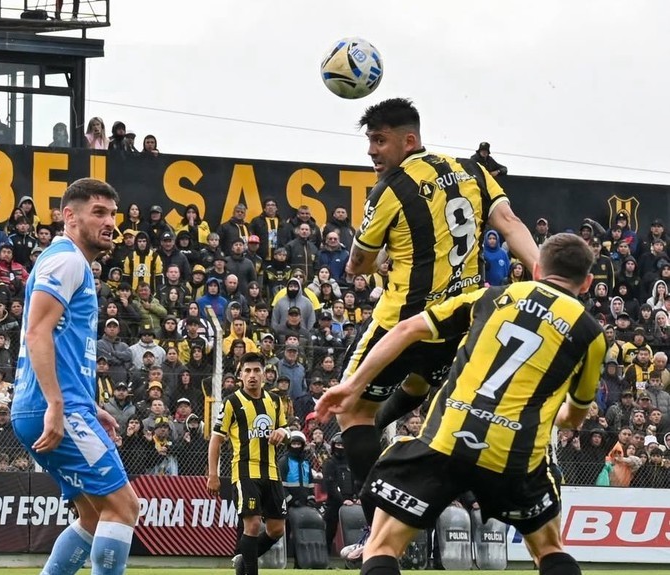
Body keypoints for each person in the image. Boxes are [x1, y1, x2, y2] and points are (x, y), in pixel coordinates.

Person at [317, 233, 605, 575]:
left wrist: (352, 385)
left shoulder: (493, 296)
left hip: (447, 440)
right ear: (587, 283)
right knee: (549, 550)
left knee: (381, 546)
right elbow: (573, 418)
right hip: (514, 457)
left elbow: (408, 329)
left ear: (537, 269)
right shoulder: (592, 335)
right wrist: (549, 411)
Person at [335, 98, 539, 535]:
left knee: (350, 409)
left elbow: (357, 265)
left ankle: (379, 532)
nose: (372, 151)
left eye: (379, 141)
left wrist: (380, 260)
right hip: (462, 322)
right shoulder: (473, 170)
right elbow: (510, 222)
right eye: (369, 141)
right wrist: (545, 275)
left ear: (409, 140)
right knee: (416, 384)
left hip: (405, 323)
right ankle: (388, 425)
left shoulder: (390, 188)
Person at [11, 179, 138, 575]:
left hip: (56, 405)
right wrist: (57, 403)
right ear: (70, 216)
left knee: (92, 515)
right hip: (53, 407)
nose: (110, 223)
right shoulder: (66, 260)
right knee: (124, 506)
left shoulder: (67, 262)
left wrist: (90, 405)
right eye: (99, 212)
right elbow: (36, 332)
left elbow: (62, 347)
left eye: (113, 214)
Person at [207, 352, 288, 575]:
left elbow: (286, 429)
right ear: (241, 375)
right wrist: (213, 474)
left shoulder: (275, 401)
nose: (252, 375)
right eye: (247, 371)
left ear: (265, 375)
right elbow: (216, 439)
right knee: (252, 525)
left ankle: (244, 561)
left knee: (276, 529)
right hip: (245, 471)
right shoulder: (232, 402)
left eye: (256, 371)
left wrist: (283, 431)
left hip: (272, 472)